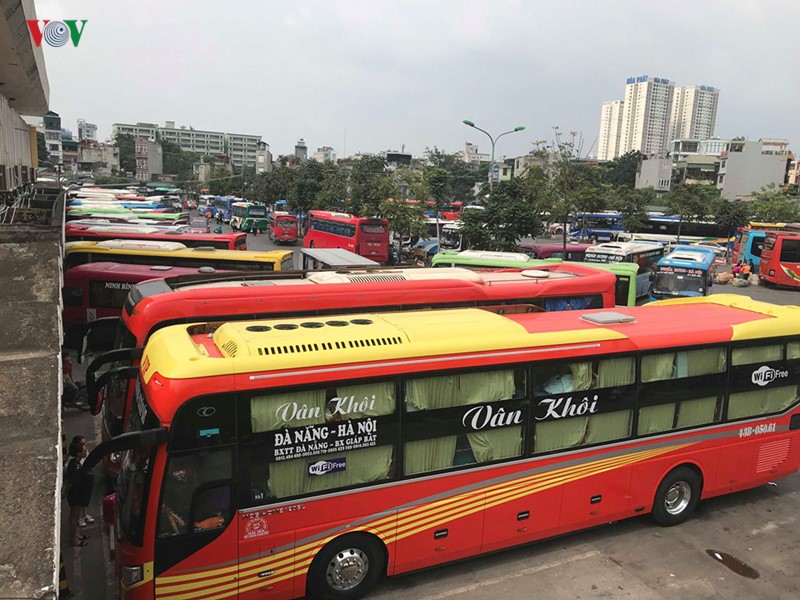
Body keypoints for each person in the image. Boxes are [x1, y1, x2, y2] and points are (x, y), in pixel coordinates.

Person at [65, 436, 95, 547]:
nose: (86, 450)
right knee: (74, 517)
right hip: (75, 495)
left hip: (77, 493)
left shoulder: (76, 463)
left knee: (75, 517)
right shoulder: (74, 465)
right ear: (78, 453)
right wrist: (66, 493)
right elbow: (70, 482)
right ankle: (74, 540)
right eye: (84, 450)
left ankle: (76, 535)